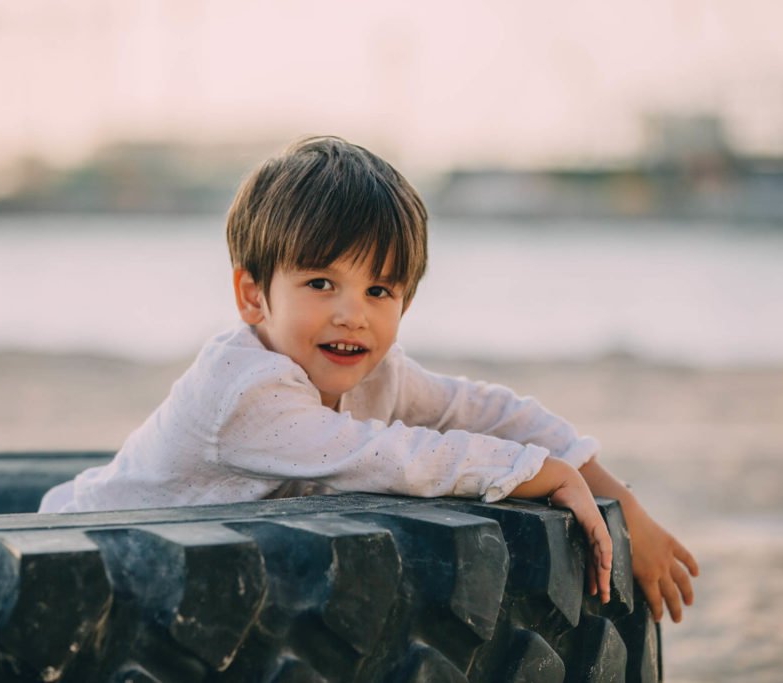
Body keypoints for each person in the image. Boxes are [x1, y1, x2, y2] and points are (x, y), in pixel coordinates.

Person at [39, 136, 697, 620]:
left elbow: (484, 409)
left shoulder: (369, 369)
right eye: (321, 282)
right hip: (76, 561)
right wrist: (537, 471)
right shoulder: (244, 391)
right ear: (253, 295)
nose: (352, 312)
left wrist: (620, 504)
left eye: (380, 288)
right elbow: (390, 460)